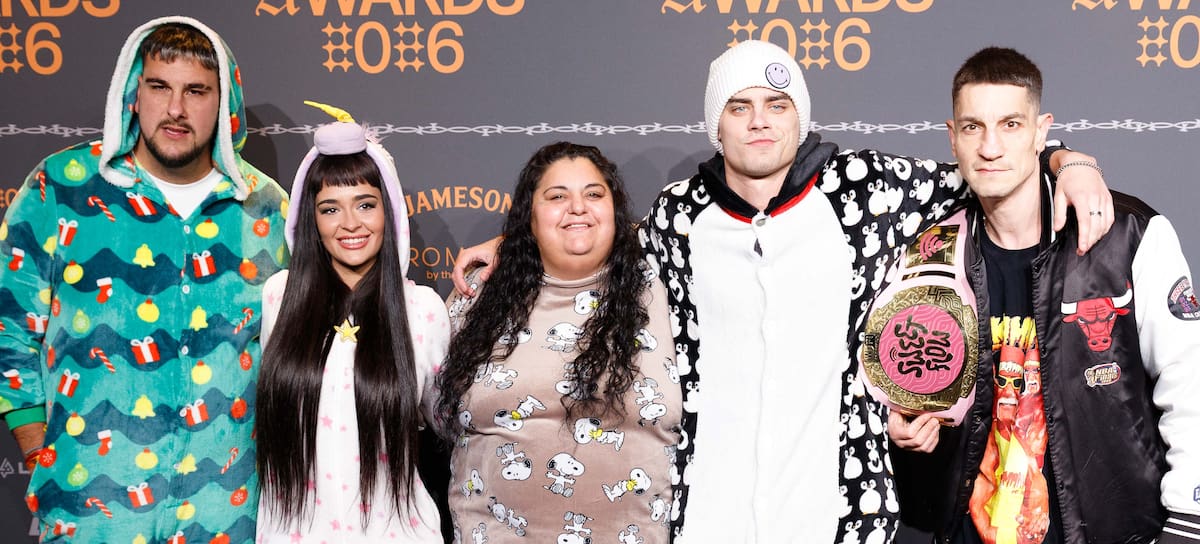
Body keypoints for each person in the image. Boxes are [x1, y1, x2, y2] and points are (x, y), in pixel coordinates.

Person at [451, 41, 1114, 543]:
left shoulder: (869, 190)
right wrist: (517, 241)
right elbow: (594, 237)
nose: (759, 123)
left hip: (843, 514)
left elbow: (990, 161)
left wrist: (1070, 161)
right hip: (704, 517)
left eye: (777, 105)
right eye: (739, 108)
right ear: (716, 124)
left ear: (800, 116)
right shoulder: (679, 215)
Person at [883, 46, 1200, 544]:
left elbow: (1189, 382)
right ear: (952, 137)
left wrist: (1188, 520)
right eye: (973, 127)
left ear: (1041, 131)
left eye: (1010, 125)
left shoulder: (1128, 235)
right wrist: (907, 435)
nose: (990, 147)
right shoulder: (929, 253)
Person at [0, 17, 288, 543]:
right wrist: (42, 452)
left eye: (196, 91)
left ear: (224, 103)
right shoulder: (61, 189)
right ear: (134, 92)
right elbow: (10, 327)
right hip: (93, 514)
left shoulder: (266, 209)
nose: (175, 108)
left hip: (228, 514)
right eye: (159, 86)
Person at [437, 142, 680, 543]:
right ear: (530, 216)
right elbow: (433, 411)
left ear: (616, 210)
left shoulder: (668, 288)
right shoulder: (478, 295)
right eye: (557, 197)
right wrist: (510, 243)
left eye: (594, 194)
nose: (578, 207)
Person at [255, 106, 448, 542]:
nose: (350, 224)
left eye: (365, 204)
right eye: (330, 209)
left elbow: (452, 422)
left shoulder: (422, 310)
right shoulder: (279, 297)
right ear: (310, 220)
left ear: (388, 212)